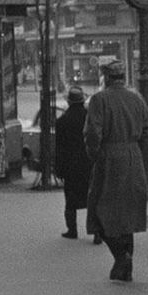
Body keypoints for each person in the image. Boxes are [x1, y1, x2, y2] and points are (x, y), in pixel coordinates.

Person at [83, 60, 148, 282]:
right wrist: (135, 150)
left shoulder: (99, 100)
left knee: (100, 212)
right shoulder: (136, 99)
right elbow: (147, 130)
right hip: (133, 159)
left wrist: (95, 154)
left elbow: (93, 132)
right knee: (128, 216)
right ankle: (126, 268)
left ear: (106, 78)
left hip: (110, 159)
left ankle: (121, 258)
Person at [55, 85, 92, 241]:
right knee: (92, 198)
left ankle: (72, 230)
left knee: (70, 199)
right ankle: (97, 232)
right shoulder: (90, 118)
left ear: (69, 102)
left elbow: (59, 148)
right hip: (89, 163)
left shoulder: (62, 121)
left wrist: (59, 169)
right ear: (82, 101)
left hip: (70, 165)